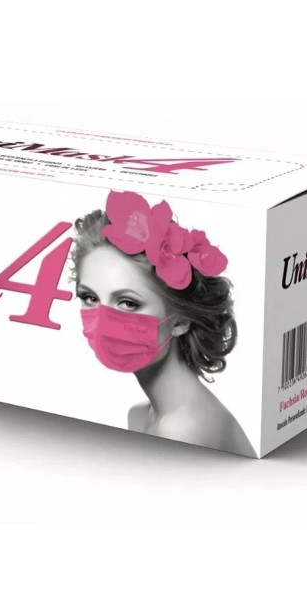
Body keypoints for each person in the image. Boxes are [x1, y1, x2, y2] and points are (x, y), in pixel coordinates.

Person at [68, 189, 255, 457]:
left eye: (128, 303)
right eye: (90, 298)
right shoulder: (142, 416)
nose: (102, 319)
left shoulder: (185, 430)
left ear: (180, 320)